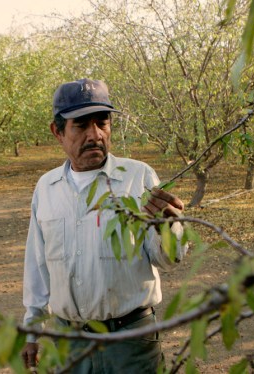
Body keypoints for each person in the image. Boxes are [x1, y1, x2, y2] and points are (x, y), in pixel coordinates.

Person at [21, 78, 187, 373]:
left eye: (102, 123)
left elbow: (168, 259)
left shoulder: (139, 178)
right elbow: (38, 267)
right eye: (81, 125)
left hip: (131, 342)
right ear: (57, 132)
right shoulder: (46, 188)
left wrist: (169, 227)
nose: (94, 134)